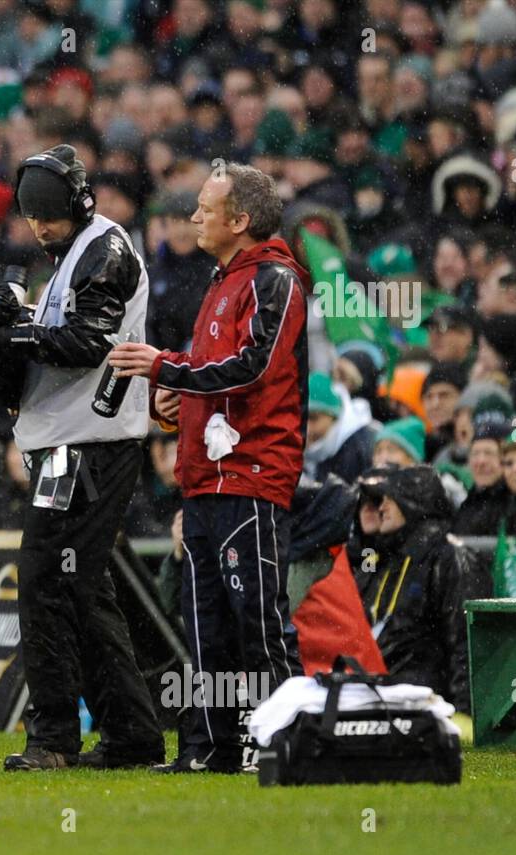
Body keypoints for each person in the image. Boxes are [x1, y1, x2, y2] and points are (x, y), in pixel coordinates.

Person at [110, 162, 309, 773]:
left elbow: (253, 367)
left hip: (251, 474)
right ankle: (209, 750)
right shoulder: (223, 280)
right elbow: (213, 375)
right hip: (204, 478)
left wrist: (165, 369)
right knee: (206, 626)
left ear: (240, 219)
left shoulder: (274, 279)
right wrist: (175, 405)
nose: (192, 217)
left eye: (204, 207)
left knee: (260, 622)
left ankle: (286, 746)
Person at [0, 143, 164, 771]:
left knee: (46, 581)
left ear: (77, 204)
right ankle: (131, 736)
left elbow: (89, 342)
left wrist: (16, 334)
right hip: (72, 440)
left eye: (48, 215)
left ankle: (55, 737)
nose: (39, 228)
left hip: (90, 442)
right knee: (78, 587)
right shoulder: (74, 254)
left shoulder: (104, 248)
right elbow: (64, 336)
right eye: (30, 217)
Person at [354, 466, 485, 714]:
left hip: (426, 702)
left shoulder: (450, 557)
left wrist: (466, 713)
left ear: (413, 503)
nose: (381, 508)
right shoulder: (388, 560)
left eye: (389, 500)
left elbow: (466, 643)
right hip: (378, 693)